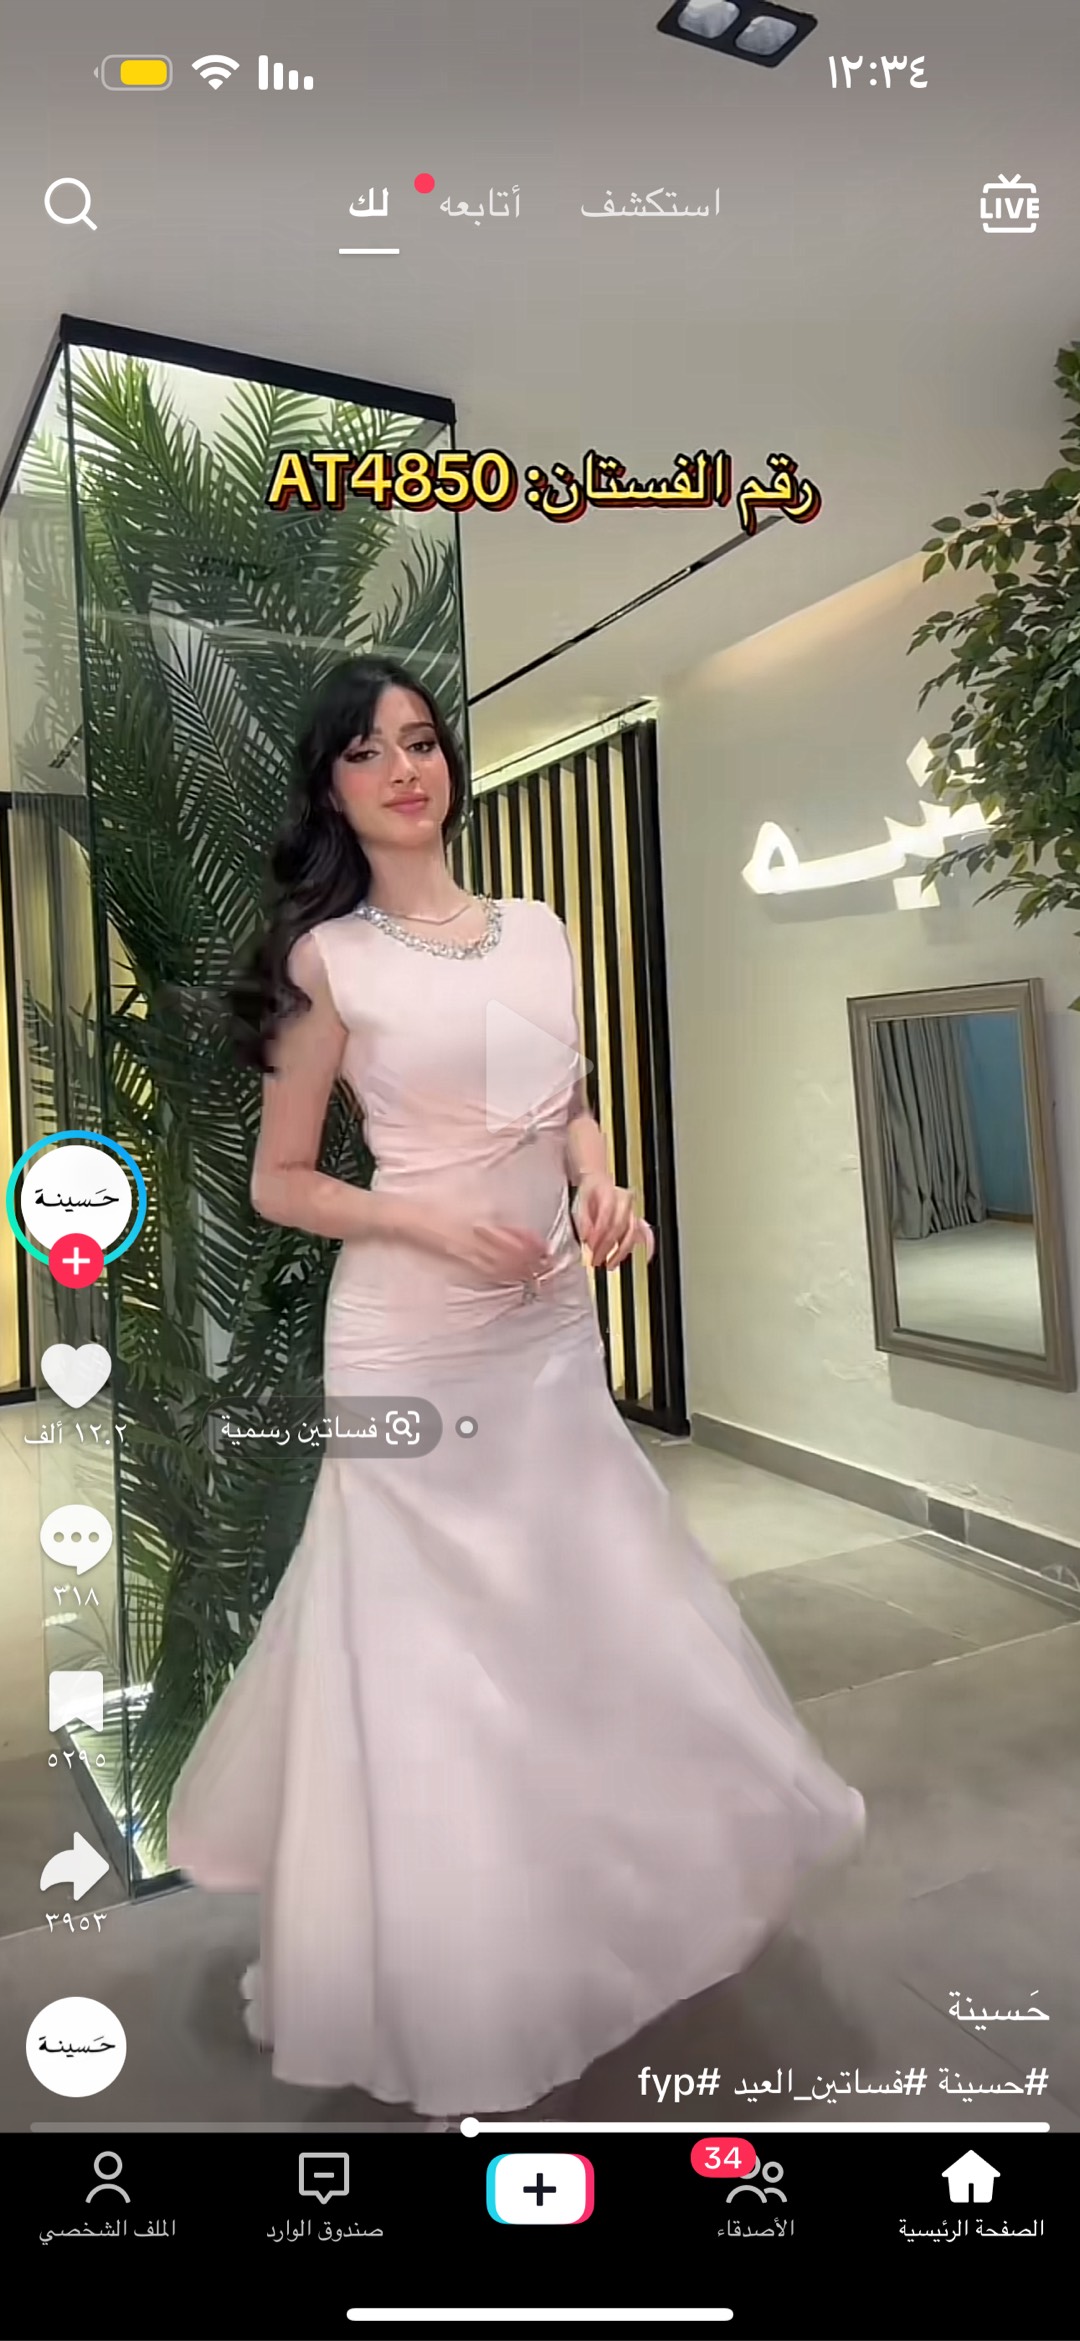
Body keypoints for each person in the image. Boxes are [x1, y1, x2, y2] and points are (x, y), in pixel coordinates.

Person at [167, 654, 865, 2122]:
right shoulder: (329, 960)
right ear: (331, 790)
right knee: (426, 1651)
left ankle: (590, 1916)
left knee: (579, 1613)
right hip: (410, 1338)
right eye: (368, 751)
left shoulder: (539, 928)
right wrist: (427, 1222)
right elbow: (282, 1181)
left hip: (546, 1330)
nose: (404, 769)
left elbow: (569, 1109)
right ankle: (455, 1978)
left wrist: (608, 1191)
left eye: (421, 741)